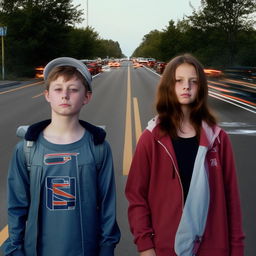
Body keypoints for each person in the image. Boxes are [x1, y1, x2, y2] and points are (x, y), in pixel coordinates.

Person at [125, 54, 245, 256]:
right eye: (178, 81)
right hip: (166, 248)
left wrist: (237, 249)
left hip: (214, 248)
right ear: (168, 86)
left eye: (193, 81)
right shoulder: (151, 139)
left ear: (201, 87)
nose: (186, 87)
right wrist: (146, 247)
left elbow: (232, 200)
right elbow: (137, 197)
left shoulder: (218, 139)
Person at [3, 57, 120, 256]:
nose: (65, 95)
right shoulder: (26, 149)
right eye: (58, 89)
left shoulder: (98, 148)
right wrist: (15, 249)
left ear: (86, 97)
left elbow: (108, 207)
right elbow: (16, 207)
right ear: (47, 95)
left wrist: (107, 248)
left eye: (73, 89)